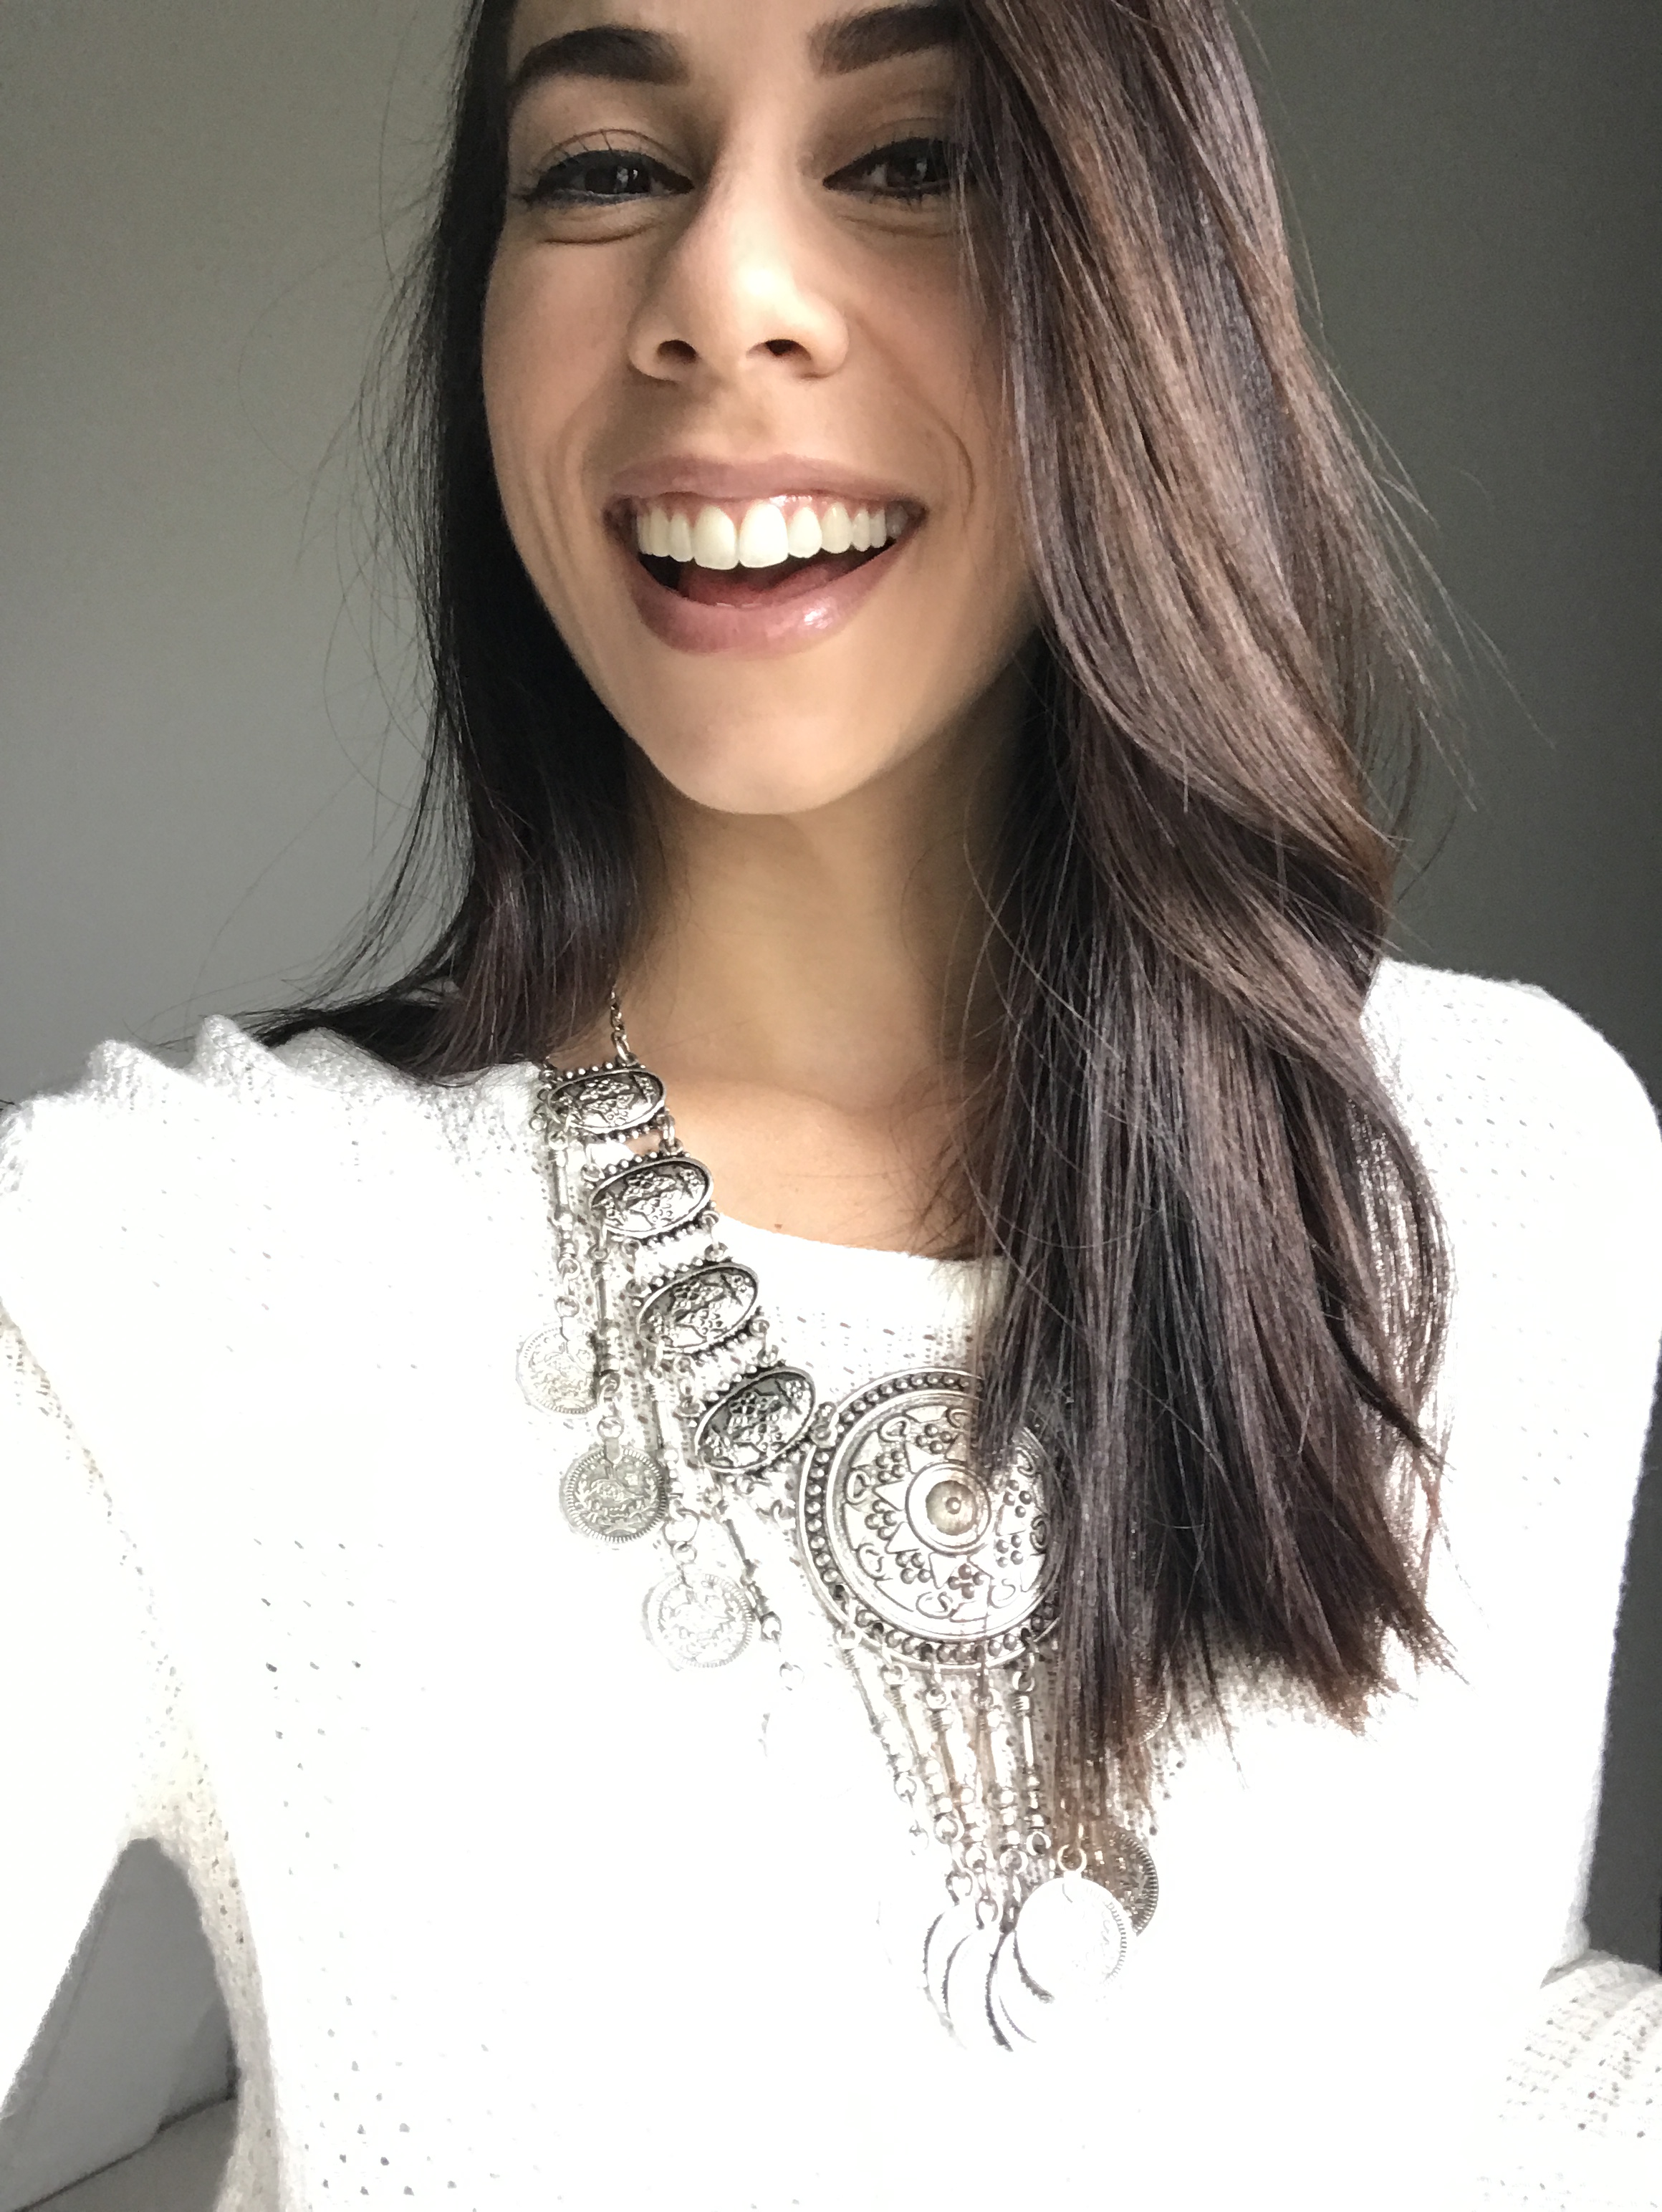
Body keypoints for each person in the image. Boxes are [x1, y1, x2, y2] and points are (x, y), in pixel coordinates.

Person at [1, 1, 1658, 2206]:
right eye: (603, 170)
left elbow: (1473, 2044)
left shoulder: (1500, 1158)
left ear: (1149, 275)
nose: (720, 291)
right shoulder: (167, 1268)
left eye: (912, 160)